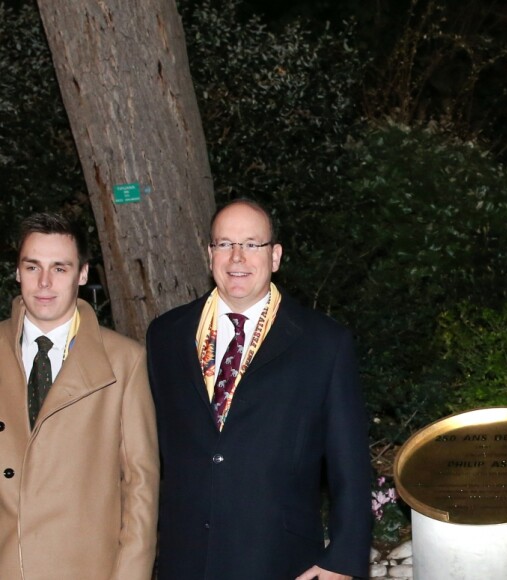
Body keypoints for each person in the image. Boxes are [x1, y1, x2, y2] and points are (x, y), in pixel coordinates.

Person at [147, 199, 372, 580]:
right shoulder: (166, 335)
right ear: (210, 254)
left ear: (275, 256)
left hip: (280, 559)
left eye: (252, 244)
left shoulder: (324, 343)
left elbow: (349, 463)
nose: (237, 257)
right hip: (184, 557)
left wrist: (344, 559)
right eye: (224, 244)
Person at [0, 212, 159, 580]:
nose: (44, 282)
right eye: (32, 267)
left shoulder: (124, 360)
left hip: (86, 568)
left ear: (82, 274)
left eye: (59, 268)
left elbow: (141, 489)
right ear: (17, 272)